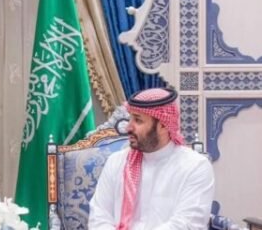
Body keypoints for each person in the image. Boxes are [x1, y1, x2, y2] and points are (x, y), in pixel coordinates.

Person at [88, 87, 214, 230]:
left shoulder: (195, 166)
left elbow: (187, 224)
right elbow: (99, 217)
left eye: (138, 120)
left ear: (163, 125)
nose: (128, 127)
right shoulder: (116, 162)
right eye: (130, 118)